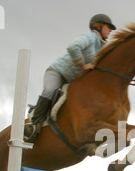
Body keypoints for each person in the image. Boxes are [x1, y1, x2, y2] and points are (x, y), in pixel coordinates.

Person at [24, 14, 116, 142]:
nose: (111, 30)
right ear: (98, 26)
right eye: (108, 27)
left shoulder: (101, 47)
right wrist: (82, 65)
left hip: (71, 80)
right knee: (50, 90)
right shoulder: (90, 37)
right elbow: (73, 47)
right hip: (57, 72)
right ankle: (34, 124)